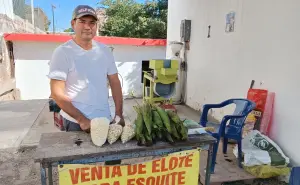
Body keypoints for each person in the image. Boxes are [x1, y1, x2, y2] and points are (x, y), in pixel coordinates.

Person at [48, 5, 124, 133]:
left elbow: (115, 82)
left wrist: (119, 114)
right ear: (73, 23)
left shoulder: (105, 51)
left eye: (92, 23)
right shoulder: (63, 52)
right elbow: (56, 93)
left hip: (105, 119)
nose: (87, 27)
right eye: (82, 22)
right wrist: (82, 119)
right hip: (76, 123)